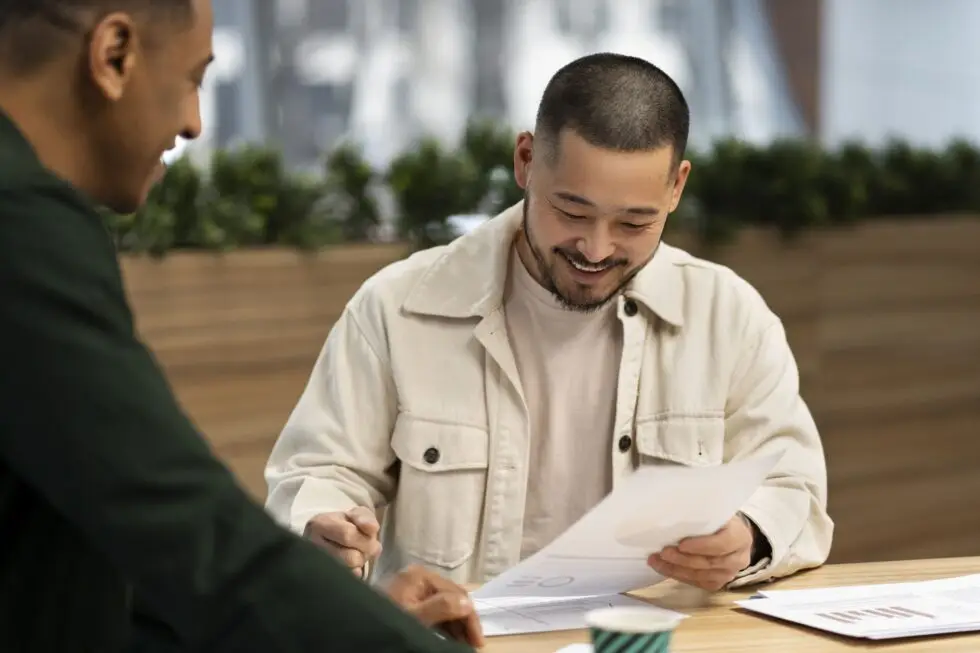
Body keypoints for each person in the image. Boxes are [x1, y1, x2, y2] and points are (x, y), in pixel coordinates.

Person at [0, 1, 482, 651]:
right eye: (194, 78)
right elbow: (191, 533)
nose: (195, 123)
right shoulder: (22, 228)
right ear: (113, 54)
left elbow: (103, 550)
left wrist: (344, 616)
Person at [265, 52, 834, 592]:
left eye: (634, 223)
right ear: (525, 160)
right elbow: (316, 476)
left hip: (649, 642)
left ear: (677, 186)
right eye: (572, 212)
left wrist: (749, 538)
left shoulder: (730, 318)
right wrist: (323, 527)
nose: (595, 247)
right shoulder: (396, 307)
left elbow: (795, 493)